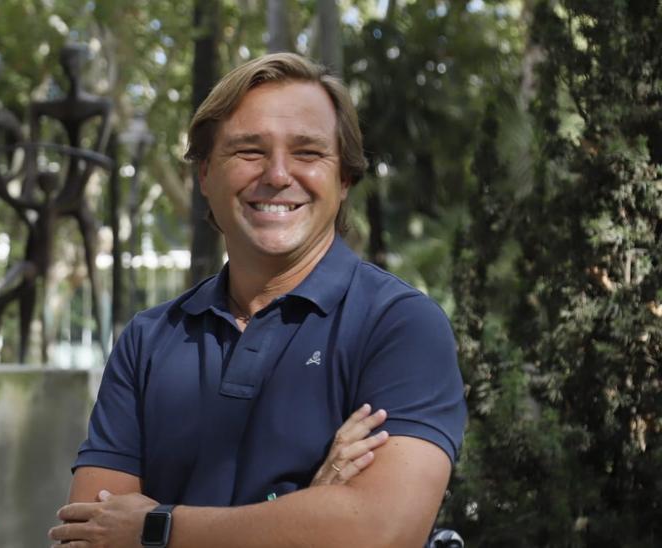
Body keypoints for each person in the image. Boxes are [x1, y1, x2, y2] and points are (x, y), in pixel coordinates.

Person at [49, 52, 467, 547]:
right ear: (205, 175)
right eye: (249, 151)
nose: (277, 174)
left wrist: (155, 527)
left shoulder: (398, 327)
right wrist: (306, 515)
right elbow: (87, 535)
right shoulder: (149, 338)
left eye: (308, 153)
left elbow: (381, 530)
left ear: (345, 179)